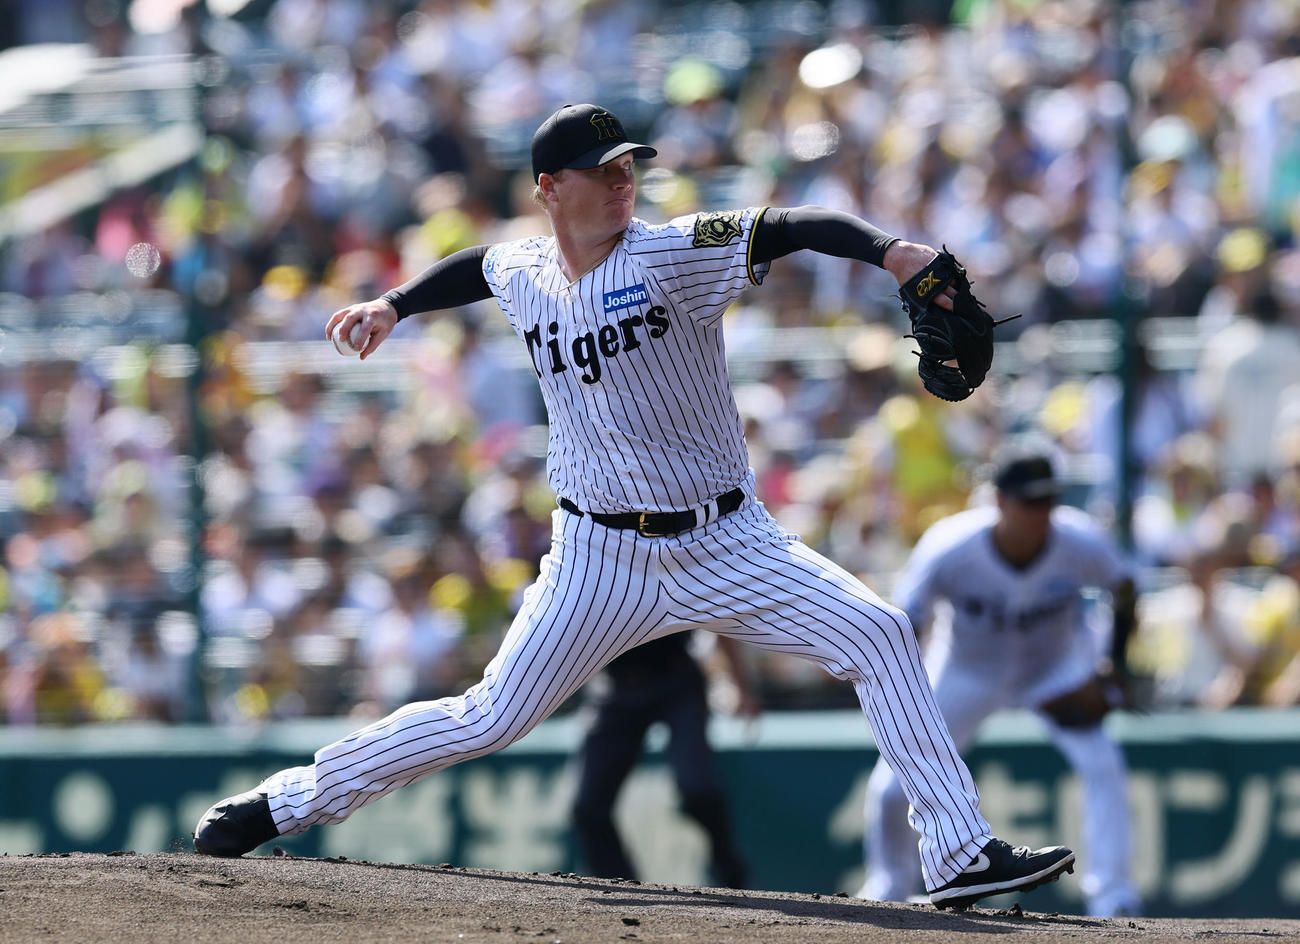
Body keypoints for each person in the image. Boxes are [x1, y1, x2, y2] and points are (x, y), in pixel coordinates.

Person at [193, 102, 1075, 911]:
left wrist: (894, 253)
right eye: (602, 170)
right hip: (597, 557)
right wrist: (394, 302)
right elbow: (478, 268)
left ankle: (957, 854)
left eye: (629, 168)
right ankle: (284, 803)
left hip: (727, 541)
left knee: (878, 634)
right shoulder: (526, 269)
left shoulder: (674, 255)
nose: (623, 183)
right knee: (490, 716)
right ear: (549, 188)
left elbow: (791, 224)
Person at [857, 448, 1142, 917]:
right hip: (966, 670)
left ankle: (1112, 896)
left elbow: (1126, 586)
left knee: (1103, 764)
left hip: (1053, 671)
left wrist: (1114, 667)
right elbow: (906, 623)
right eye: (1030, 502)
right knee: (892, 785)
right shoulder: (950, 545)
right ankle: (888, 883)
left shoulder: (1077, 539)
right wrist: (908, 701)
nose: (1041, 513)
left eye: (1049, 501)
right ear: (999, 501)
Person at [572, 631, 755, 889]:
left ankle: (729, 867)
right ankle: (623, 891)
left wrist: (741, 685)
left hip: (676, 678)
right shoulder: (576, 588)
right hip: (613, 686)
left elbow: (720, 619)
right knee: (588, 807)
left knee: (697, 789)